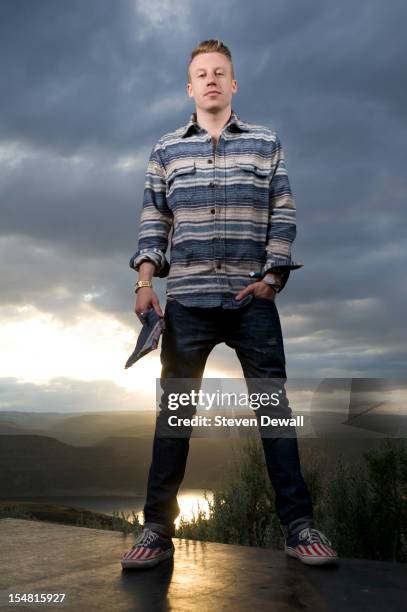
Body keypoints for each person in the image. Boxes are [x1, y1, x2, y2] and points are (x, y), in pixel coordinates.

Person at [121, 39, 339, 570]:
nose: (212, 79)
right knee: (174, 418)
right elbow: (155, 220)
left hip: (252, 301)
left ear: (233, 84)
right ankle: (156, 530)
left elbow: (282, 214)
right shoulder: (166, 150)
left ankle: (299, 527)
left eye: (221, 72)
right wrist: (144, 280)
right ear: (190, 87)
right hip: (187, 304)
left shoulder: (265, 143)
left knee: (274, 414)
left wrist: (271, 278)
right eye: (202, 73)